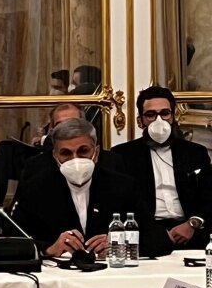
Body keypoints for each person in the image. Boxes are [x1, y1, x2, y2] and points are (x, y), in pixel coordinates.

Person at [11, 118, 166, 258]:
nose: (75, 159)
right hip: (58, 273)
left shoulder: (123, 186)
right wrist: (48, 249)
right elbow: (12, 241)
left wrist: (120, 244)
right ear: (55, 156)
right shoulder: (35, 190)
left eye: (83, 151)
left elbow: (159, 239)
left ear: (96, 152)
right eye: (65, 153)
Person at [111, 86, 211, 250]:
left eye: (165, 113)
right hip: (146, 233)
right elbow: (121, 202)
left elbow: (209, 195)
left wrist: (193, 223)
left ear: (173, 116)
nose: (159, 120)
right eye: (151, 115)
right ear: (140, 121)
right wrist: (155, 233)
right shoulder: (122, 155)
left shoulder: (195, 153)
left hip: (191, 229)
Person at [22, 103, 125, 181]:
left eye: (72, 123)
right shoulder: (34, 166)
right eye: (60, 125)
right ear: (52, 130)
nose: (67, 129)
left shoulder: (112, 162)